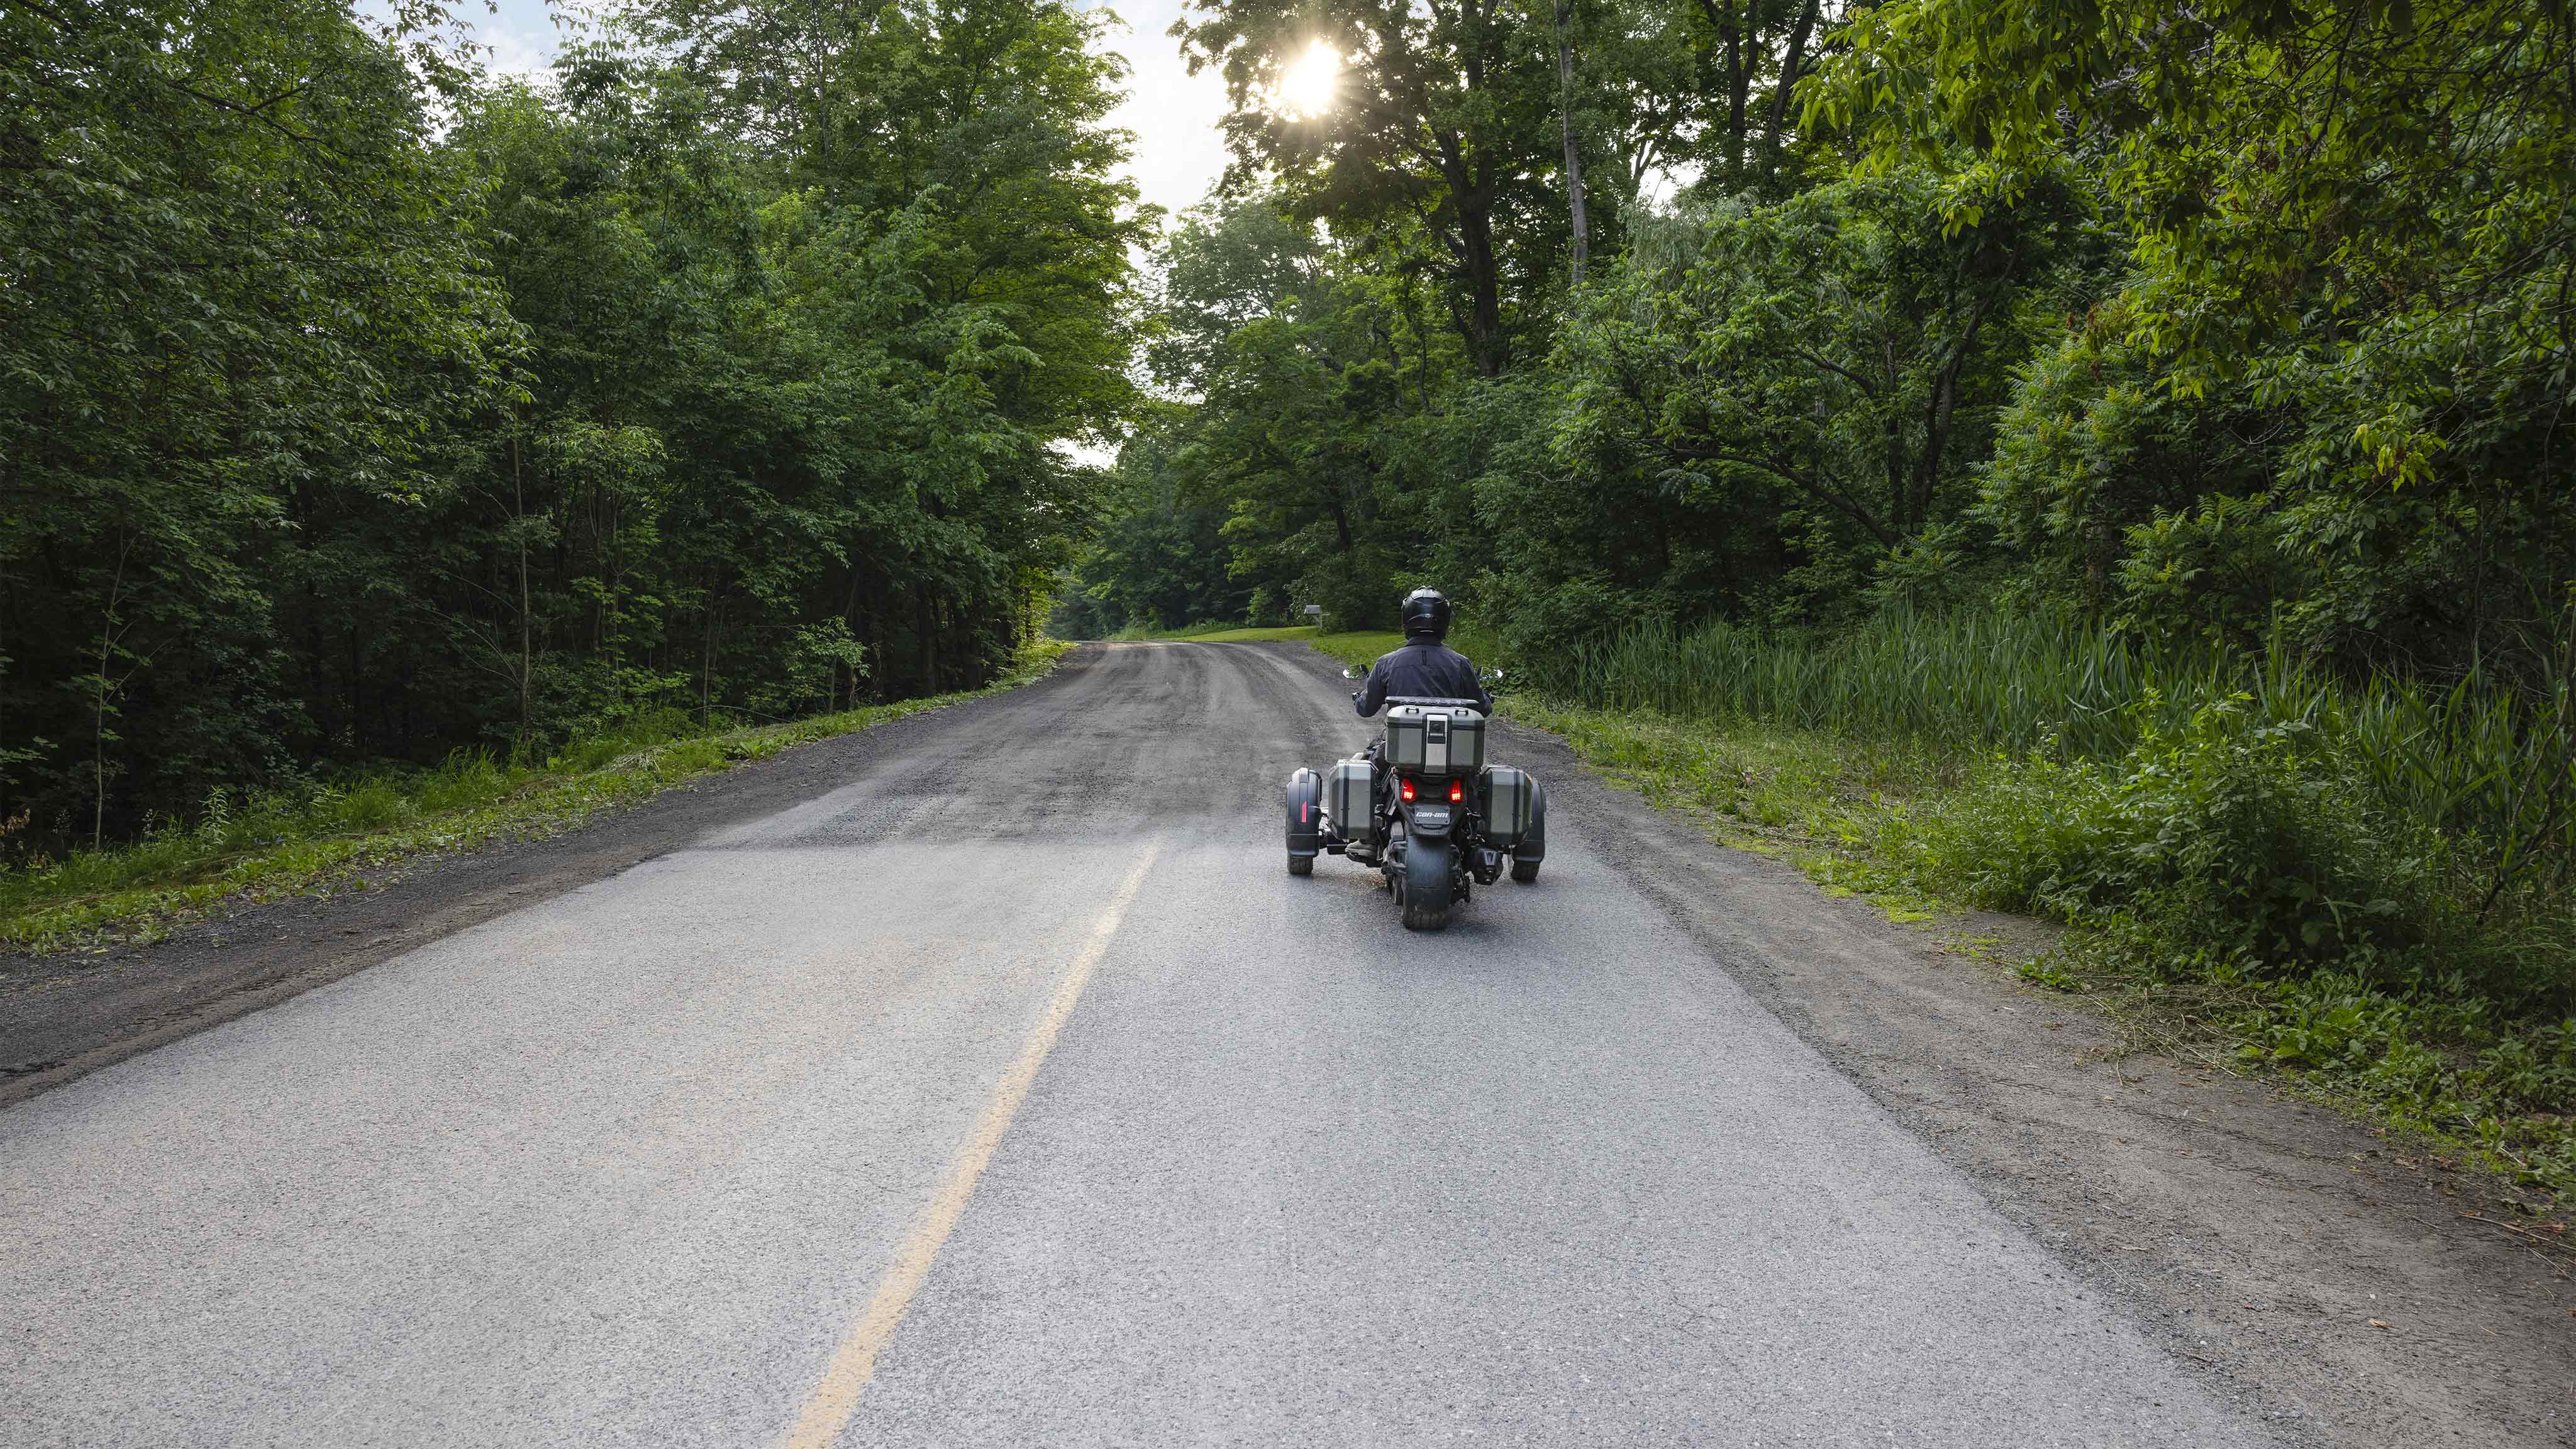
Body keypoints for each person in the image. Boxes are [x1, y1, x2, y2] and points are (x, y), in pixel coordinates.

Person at [1354, 587, 1491, 718]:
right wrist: (1486, 697)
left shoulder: (1386, 663)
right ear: (1445, 621)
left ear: (1406, 619)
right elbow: (1483, 709)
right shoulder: (1461, 663)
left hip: (1401, 740)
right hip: (1449, 740)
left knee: (1376, 744)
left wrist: (1359, 698)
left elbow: (1366, 709)